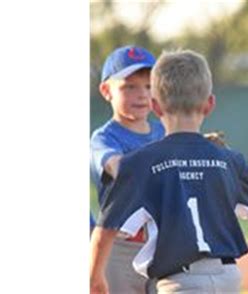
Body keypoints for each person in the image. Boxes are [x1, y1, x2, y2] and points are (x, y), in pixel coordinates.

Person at [89, 49, 248, 294]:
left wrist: (94, 276)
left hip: (179, 280)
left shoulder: (141, 163)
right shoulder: (230, 159)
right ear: (210, 104)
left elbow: (104, 230)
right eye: (130, 86)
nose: (139, 93)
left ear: (156, 105)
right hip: (227, 278)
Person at [90, 45, 165, 294]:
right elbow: (118, 167)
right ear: (106, 91)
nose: (141, 95)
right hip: (120, 248)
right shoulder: (104, 139)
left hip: (164, 243)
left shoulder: (164, 131)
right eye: (129, 87)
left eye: (148, 86)